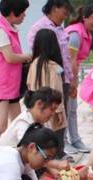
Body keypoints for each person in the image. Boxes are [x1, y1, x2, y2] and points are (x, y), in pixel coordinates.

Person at [27, 0, 76, 152]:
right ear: (55, 8)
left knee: (50, 122)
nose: (65, 16)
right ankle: (55, 153)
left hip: (61, 79)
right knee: (56, 121)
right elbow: (56, 90)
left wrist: (71, 79)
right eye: (64, 12)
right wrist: (59, 109)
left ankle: (49, 153)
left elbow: (67, 57)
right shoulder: (39, 28)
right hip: (52, 84)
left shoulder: (60, 29)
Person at [0, 0, 32, 132]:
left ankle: (13, 150)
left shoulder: (8, 28)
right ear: (12, 13)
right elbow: (10, 57)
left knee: (18, 122)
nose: (24, 16)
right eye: (22, 13)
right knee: (0, 126)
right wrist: (28, 56)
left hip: (9, 83)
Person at [62, 5, 93, 154]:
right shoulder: (75, 34)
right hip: (63, 74)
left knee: (72, 109)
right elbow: (70, 60)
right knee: (64, 109)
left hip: (71, 72)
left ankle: (76, 140)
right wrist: (72, 82)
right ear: (85, 17)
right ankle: (63, 142)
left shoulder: (86, 33)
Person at [27, 28, 67, 158]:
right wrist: (59, 111)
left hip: (38, 108)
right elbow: (57, 90)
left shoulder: (34, 63)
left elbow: (29, 84)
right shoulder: (53, 66)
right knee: (55, 140)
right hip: (51, 109)